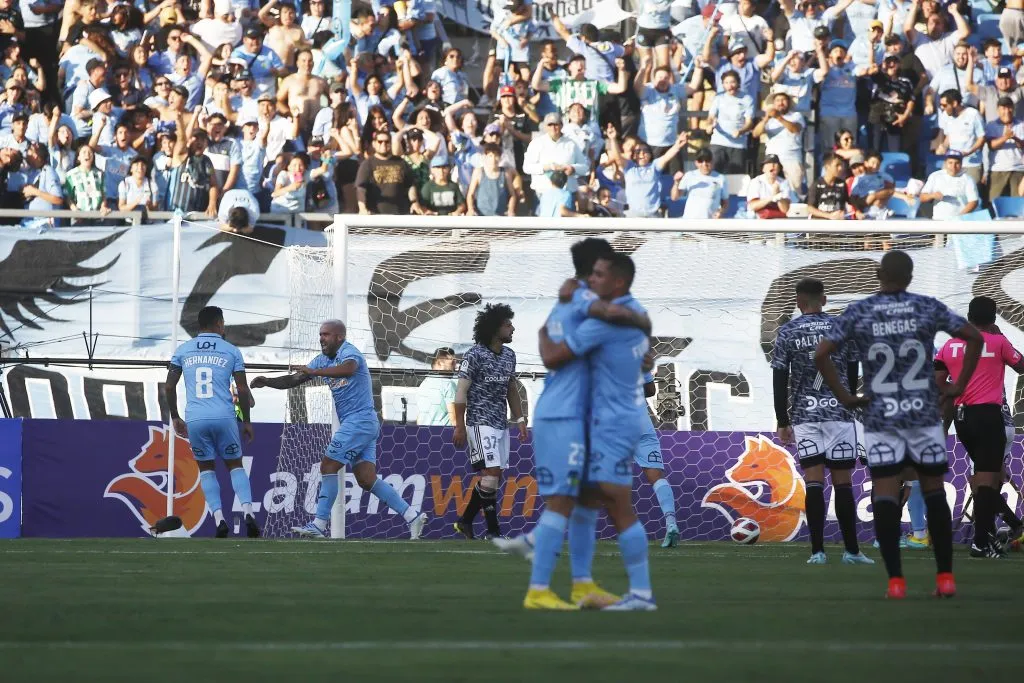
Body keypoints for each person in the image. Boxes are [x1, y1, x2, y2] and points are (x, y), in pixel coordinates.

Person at [494, 239, 657, 607]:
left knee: (587, 502)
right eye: (598, 269)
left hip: (591, 418)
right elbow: (557, 354)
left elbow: (618, 333)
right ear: (594, 269)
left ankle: (577, 578)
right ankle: (544, 587)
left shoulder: (578, 303)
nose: (600, 276)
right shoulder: (588, 304)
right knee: (576, 501)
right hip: (567, 414)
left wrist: (541, 333)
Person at [815, 250, 983, 599]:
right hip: (922, 413)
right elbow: (975, 338)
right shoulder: (926, 306)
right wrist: (958, 385)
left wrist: (845, 396)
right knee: (933, 487)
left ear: (879, 273)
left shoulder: (860, 311)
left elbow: (821, 353)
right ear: (909, 276)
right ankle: (945, 578)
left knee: (886, 490)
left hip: (882, 416)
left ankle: (895, 581)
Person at [536, 252, 656, 611]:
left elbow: (554, 357)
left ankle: (640, 594)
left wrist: (544, 331)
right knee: (587, 503)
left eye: (599, 275)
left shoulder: (607, 321)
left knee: (618, 505)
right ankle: (583, 585)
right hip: (612, 419)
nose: (592, 281)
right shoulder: (636, 312)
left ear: (618, 281)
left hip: (611, 424)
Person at [250, 319, 428, 539]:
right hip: (362, 425)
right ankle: (413, 516)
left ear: (339, 337)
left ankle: (318, 525)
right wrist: (267, 381)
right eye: (320, 334)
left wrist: (315, 373)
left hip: (359, 421)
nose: (321, 338)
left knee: (327, 466)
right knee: (366, 479)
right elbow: (296, 378)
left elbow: (349, 368)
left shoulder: (349, 353)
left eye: (326, 334)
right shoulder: (322, 360)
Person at [773, 278, 872, 565]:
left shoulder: (788, 331)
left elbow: (780, 377)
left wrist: (783, 419)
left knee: (814, 482)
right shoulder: (841, 328)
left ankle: (817, 552)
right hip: (839, 415)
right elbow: (854, 370)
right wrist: (849, 401)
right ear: (824, 300)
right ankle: (852, 551)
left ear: (797, 302)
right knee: (843, 483)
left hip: (806, 416)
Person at [934, 296, 1024, 558]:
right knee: (986, 481)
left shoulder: (950, 345)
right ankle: (981, 543)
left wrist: (955, 391)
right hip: (988, 416)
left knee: (982, 480)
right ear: (993, 319)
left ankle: (987, 538)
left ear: (969, 317)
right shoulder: (997, 342)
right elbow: (1021, 365)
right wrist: (1002, 337)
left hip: (962, 419)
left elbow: (938, 378)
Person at [165, 305, 258, 539]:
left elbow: (168, 386)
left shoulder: (183, 350)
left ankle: (219, 520)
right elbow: (243, 390)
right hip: (224, 416)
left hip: (196, 418)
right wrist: (246, 421)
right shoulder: (231, 351)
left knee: (206, 469)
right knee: (235, 465)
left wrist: (175, 416)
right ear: (219, 324)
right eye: (223, 323)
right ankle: (248, 513)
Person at [452, 303, 528, 540]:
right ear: (495, 328)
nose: (513, 328)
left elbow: (511, 389)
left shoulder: (509, 355)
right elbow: (461, 392)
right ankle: (494, 532)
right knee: (492, 473)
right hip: (478, 421)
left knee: (494, 478)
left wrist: (520, 418)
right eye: (508, 324)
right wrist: (460, 426)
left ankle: (465, 521)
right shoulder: (474, 354)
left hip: (500, 423)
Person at [935, 89, 985, 185]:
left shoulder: (973, 114)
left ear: (954, 103)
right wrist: (943, 147)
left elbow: (981, 138)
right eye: (941, 105)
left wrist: (968, 152)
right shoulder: (946, 116)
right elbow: (949, 136)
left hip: (971, 163)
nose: (942, 108)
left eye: (945, 105)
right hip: (951, 163)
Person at [984, 97, 1024, 202]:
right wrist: (1005, 137)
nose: (1007, 111)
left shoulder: (1021, 124)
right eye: (1003, 108)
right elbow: (992, 145)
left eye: (1009, 108)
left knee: (1018, 204)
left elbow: (1022, 145)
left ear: (1013, 109)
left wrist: (1014, 138)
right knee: (994, 202)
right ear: (998, 110)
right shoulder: (992, 125)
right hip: (998, 169)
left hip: (1018, 169)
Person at [918, 152, 979, 219]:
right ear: (945, 163)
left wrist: (959, 217)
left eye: (957, 163)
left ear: (961, 164)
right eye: (950, 163)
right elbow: (922, 197)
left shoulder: (968, 179)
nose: (953, 166)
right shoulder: (935, 176)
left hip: (959, 221)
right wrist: (932, 195)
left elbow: (973, 202)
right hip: (938, 220)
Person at [671, 148, 727, 219]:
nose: (704, 164)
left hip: (710, 223)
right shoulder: (689, 175)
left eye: (707, 160)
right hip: (690, 221)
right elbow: (674, 197)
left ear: (712, 162)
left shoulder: (721, 178)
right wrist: (676, 183)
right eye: (700, 161)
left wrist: (721, 212)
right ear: (696, 163)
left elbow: (725, 202)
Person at [417, 347, 457, 426]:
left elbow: (419, 418)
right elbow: (455, 420)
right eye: (452, 362)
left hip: (424, 434)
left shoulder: (424, 383)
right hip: (444, 435)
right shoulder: (448, 384)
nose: (455, 366)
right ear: (440, 363)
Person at [747, 155, 796, 219]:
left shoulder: (784, 183)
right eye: (768, 163)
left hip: (778, 217)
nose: (772, 165)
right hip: (758, 218)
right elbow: (752, 206)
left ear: (779, 168)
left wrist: (778, 196)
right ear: (763, 169)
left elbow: (785, 210)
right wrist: (772, 197)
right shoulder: (756, 182)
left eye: (775, 163)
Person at [807, 152, 849, 219]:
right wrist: (828, 216)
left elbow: (849, 201)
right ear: (827, 166)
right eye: (837, 165)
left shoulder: (842, 184)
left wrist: (857, 211)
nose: (840, 168)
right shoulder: (817, 184)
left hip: (837, 224)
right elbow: (809, 208)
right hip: (819, 224)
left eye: (841, 165)